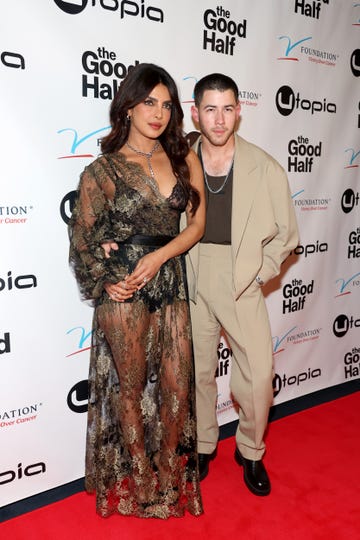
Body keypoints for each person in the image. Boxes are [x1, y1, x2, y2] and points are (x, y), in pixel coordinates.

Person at [68, 63, 205, 519]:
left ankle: (169, 465)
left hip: (167, 279)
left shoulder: (184, 158)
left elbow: (197, 225)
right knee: (129, 387)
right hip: (124, 287)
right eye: (149, 102)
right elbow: (82, 238)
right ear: (128, 106)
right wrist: (107, 279)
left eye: (167, 105)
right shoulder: (101, 170)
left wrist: (160, 256)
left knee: (177, 387)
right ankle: (141, 472)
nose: (159, 113)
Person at [184, 73, 299, 496]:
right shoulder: (180, 161)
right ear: (195, 113)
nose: (219, 120)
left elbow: (287, 234)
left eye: (227, 109)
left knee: (257, 376)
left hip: (242, 276)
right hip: (194, 274)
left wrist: (258, 271)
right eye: (210, 109)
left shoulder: (263, 166)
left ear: (239, 112)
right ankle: (202, 445)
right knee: (197, 372)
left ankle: (250, 450)